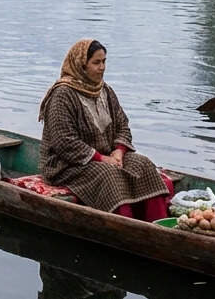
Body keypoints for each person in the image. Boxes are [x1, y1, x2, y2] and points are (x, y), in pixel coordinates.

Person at [38, 39, 172, 220]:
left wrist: (119, 151)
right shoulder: (62, 95)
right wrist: (101, 158)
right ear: (81, 65)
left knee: (143, 164)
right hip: (68, 166)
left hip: (107, 156)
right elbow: (64, 141)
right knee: (110, 176)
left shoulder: (105, 90)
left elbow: (122, 125)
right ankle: (125, 226)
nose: (102, 67)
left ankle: (158, 222)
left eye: (104, 61)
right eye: (96, 62)